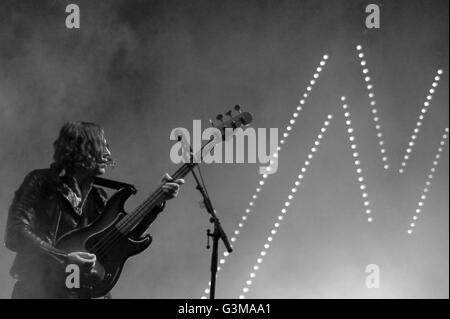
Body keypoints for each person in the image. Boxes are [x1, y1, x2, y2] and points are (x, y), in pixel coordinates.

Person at [4, 121, 184, 298]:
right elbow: (15, 232)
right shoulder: (41, 182)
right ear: (81, 148)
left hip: (84, 291)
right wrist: (63, 258)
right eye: (102, 146)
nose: (108, 154)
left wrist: (156, 204)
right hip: (40, 289)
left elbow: (118, 242)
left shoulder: (99, 197)